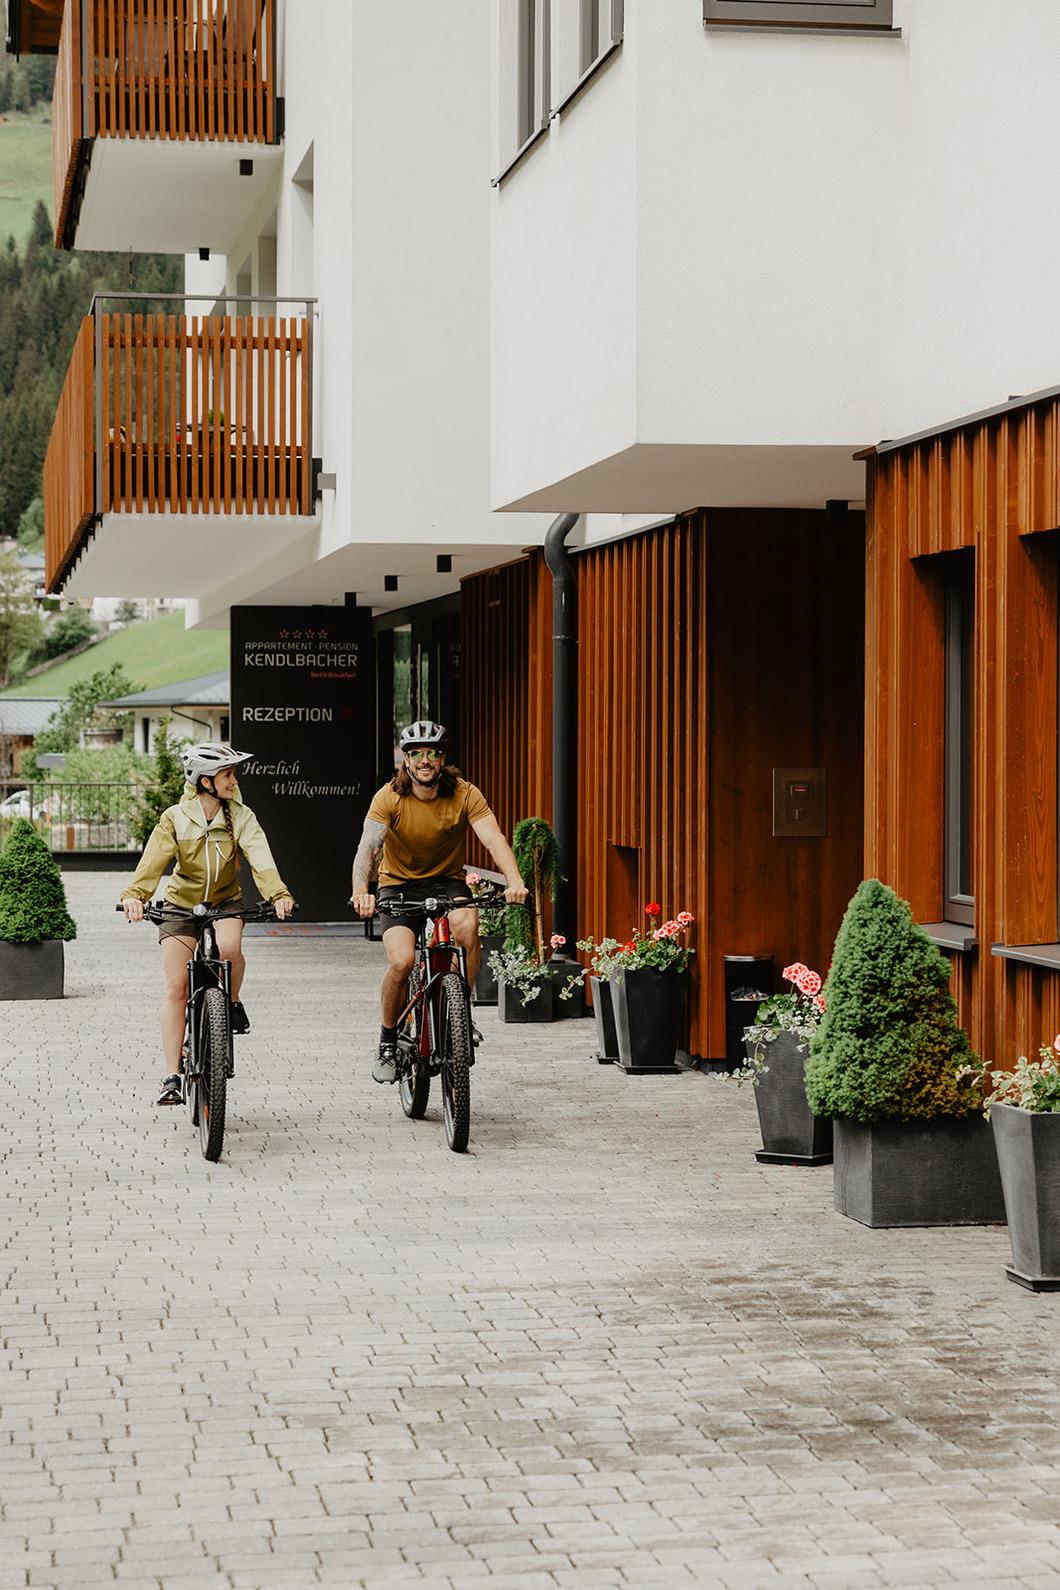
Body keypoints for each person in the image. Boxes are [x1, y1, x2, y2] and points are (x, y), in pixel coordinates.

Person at [351, 720, 528, 1083]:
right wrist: (360, 890)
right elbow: (368, 847)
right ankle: (388, 1040)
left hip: (446, 882)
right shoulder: (389, 797)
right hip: (398, 885)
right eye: (416, 753)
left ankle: (461, 1012)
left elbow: (493, 840)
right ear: (406, 759)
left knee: (468, 927)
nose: (425, 760)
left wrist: (515, 881)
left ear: (442, 759)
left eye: (433, 753)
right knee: (401, 961)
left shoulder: (465, 794)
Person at [120, 743, 295, 1106]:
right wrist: (135, 895)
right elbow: (153, 862)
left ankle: (231, 1002)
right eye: (227, 775)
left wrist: (278, 893)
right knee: (177, 986)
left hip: (225, 901)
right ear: (205, 781)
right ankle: (172, 1076)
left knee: (230, 949)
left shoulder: (242, 817)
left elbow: (260, 857)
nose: (234, 781)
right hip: (180, 906)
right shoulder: (175, 818)